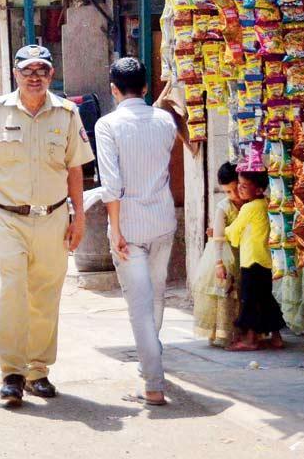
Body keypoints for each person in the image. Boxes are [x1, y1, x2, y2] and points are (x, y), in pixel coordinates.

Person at [0, 44, 93, 407]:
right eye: (27, 70)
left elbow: (75, 169)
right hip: (7, 217)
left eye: (41, 70)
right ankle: (12, 372)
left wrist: (79, 216)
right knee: (13, 288)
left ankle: (38, 370)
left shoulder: (67, 113)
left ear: (51, 75)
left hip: (54, 217)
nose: (34, 76)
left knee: (46, 294)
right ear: (16, 74)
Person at [92, 57, 179, 408]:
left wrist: (114, 229)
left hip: (128, 225)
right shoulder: (165, 121)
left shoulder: (107, 125)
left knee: (139, 307)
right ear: (145, 87)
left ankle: (153, 384)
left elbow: (111, 185)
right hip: (162, 221)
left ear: (114, 89)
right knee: (155, 298)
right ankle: (152, 366)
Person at [225, 168, 286, 351]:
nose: (240, 190)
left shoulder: (249, 207)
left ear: (259, 190)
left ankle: (250, 340)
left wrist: (220, 232)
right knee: (265, 299)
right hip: (265, 260)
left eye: (244, 186)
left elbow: (235, 230)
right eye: (239, 185)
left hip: (251, 261)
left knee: (249, 300)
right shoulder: (266, 203)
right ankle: (276, 338)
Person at [193, 162, 241, 347]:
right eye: (228, 192)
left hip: (244, 251)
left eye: (236, 189)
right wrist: (219, 263)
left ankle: (244, 331)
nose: (234, 195)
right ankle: (223, 333)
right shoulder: (224, 206)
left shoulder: (251, 202)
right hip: (224, 252)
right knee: (226, 290)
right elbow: (218, 236)